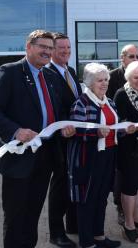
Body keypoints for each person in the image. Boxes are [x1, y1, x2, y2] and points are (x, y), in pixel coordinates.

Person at [0, 30, 75, 248]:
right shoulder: (10, 72)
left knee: (33, 214)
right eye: (43, 46)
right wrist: (15, 131)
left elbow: (58, 111)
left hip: (45, 156)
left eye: (50, 48)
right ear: (28, 47)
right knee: (16, 217)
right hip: (19, 158)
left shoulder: (51, 76)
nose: (47, 51)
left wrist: (65, 126)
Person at [68, 63, 136, 248]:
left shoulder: (109, 101)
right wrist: (95, 134)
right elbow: (76, 131)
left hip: (108, 155)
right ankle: (86, 241)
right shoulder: (81, 103)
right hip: (88, 158)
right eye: (100, 80)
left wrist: (125, 128)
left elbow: (113, 128)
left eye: (106, 79)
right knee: (87, 200)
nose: (105, 83)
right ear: (89, 82)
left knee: (101, 198)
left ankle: (99, 236)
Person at [107, 44, 138, 224]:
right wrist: (132, 126)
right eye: (131, 56)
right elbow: (113, 112)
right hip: (126, 143)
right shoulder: (114, 80)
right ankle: (124, 212)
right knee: (126, 180)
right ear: (122, 57)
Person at [47, 33, 82, 247]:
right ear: (51, 50)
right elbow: (52, 107)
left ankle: (72, 224)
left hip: (74, 139)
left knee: (71, 182)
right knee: (59, 185)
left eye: (68, 47)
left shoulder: (71, 71)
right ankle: (56, 232)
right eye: (61, 48)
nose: (66, 51)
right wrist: (63, 125)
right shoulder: (47, 73)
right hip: (59, 139)